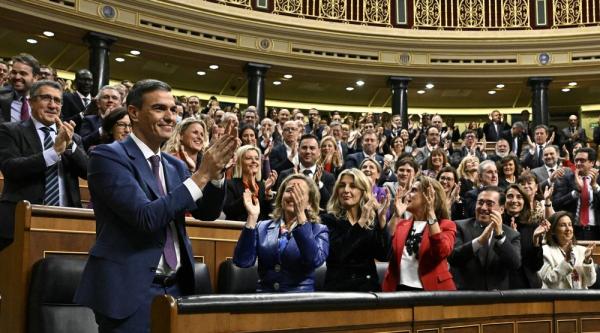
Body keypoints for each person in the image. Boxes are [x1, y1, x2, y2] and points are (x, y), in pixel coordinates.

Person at [74, 79, 238, 332]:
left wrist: (216, 174)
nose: (170, 117)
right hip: (129, 291)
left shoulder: (175, 166)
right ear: (134, 113)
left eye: (173, 110)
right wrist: (202, 174)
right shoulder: (107, 157)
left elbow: (207, 213)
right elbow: (145, 217)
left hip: (176, 288)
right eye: (159, 108)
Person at [0, 80, 88, 250]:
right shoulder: (10, 130)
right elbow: (11, 169)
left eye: (57, 100)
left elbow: (89, 172)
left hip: (66, 220)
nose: (53, 105)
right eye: (46, 98)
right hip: (20, 220)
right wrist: (53, 153)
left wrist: (69, 146)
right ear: (31, 101)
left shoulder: (73, 137)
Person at [233, 174, 329, 292]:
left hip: (299, 302)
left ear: (309, 203)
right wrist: (252, 218)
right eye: (289, 190)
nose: (293, 195)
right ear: (281, 197)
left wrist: (301, 218)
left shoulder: (319, 230)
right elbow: (242, 261)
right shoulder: (262, 227)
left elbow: (314, 261)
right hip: (265, 300)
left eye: (299, 192)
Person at [320, 168, 390, 291]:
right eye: (342, 186)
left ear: (363, 191)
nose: (346, 190)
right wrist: (361, 222)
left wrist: (382, 222)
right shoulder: (327, 219)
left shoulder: (371, 220)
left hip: (368, 289)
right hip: (338, 291)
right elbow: (339, 252)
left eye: (352, 186)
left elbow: (384, 256)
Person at [382, 176, 457, 291]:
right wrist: (396, 215)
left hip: (431, 291)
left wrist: (431, 213)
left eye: (413, 190)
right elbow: (384, 248)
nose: (408, 194)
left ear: (428, 196)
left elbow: (441, 251)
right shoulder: (401, 224)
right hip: (398, 290)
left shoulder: (445, 225)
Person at [448, 186, 521, 290]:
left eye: (489, 204)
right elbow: (453, 258)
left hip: (497, 300)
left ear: (501, 209)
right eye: (480, 202)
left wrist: (500, 235)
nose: (483, 208)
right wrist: (479, 241)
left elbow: (515, 264)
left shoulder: (512, 235)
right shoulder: (459, 226)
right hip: (464, 298)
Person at [503, 184, 550, 289]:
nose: (514, 200)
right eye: (510, 196)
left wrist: (535, 241)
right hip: (504, 285)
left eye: (519, 197)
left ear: (524, 202)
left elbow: (537, 265)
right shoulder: (496, 226)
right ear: (504, 200)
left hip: (527, 285)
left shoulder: (533, 227)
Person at [539, 211, 596, 289]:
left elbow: (590, 282)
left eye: (570, 225)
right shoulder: (545, 251)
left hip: (580, 299)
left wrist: (587, 261)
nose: (568, 229)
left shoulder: (582, 250)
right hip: (558, 299)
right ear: (553, 231)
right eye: (563, 225)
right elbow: (550, 281)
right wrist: (566, 260)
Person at [552, 147, 600, 240]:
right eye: (576, 160)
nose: (578, 163)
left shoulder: (599, 179)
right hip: (572, 230)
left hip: (596, 231)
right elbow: (556, 204)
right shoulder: (566, 178)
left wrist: (595, 187)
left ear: (592, 162)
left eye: (582, 161)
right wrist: (576, 192)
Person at [223, 145, 277, 221]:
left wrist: (267, 194)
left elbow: (270, 214)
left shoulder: (262, 186)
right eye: (249, 158)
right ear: (240, 163)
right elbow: (229, 211)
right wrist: (251, 193)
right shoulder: (230, 184)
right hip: (236, 229)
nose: (254, 161)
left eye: (257, 158)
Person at [0, 53, 39, 123]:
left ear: (35, 78)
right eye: (14, 72)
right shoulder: (1, 96)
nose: (17, 77)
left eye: (23, 73)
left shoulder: (42, 101)